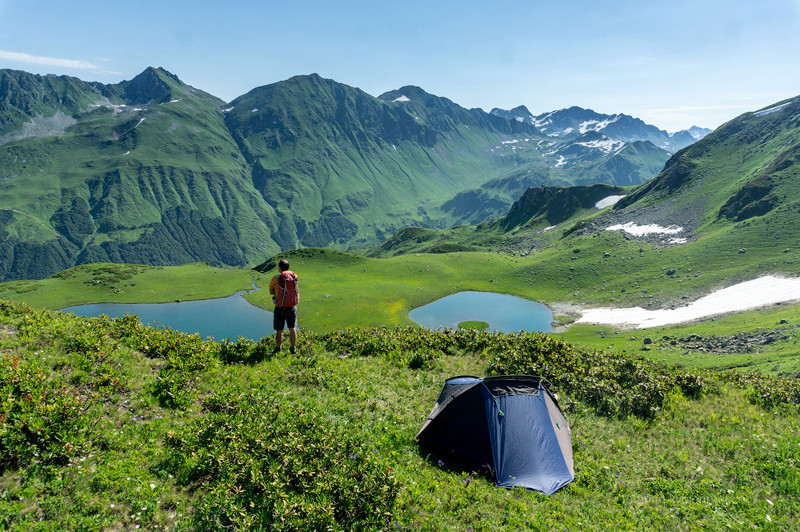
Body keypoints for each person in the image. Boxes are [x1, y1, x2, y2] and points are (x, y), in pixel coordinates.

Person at [268, 258, 299, 354]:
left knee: (279, 330)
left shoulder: (276, 278)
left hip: (279, 307)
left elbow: (270, 292)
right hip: (292, 306)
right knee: (292, 328)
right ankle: (293, 349)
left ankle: (277, 348)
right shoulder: (294, 277)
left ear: (280, 268)